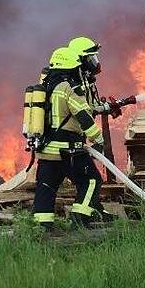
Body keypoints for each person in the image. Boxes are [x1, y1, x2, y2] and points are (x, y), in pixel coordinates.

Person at [30, 46, 109, 229]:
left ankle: (42, 228)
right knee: (91, 181)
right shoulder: (69, 88)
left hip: (45, 151)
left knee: (46, 188)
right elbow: (83, 116)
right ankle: (79, 220)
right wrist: (98, 140)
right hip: (68, 150)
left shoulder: (46, 87)